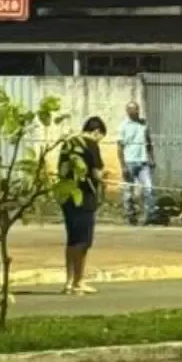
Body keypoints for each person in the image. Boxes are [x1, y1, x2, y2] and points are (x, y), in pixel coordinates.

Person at [59, 117, 106, 295]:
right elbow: (96, 173)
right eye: (100, 137)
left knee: (72, 239)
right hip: (84, 196)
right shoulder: (90, 144)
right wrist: (104, 177)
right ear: (96, 132)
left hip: (66, 195)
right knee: (83, 242)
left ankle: (69, 281)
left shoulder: (69, 143)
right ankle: (78, 281)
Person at [117, 101, 155, 226]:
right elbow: (120, 148)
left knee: (149, 188)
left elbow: (149, 142)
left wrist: (152, 158)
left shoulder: (144, 124)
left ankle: (148, 215)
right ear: (127, 111)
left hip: (143, 162)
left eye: (137, 109)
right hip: (129, 161)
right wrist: (123, 166)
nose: (136, 111)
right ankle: (130, 216)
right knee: (128, 191)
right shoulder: (123, 126)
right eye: (133, 109)